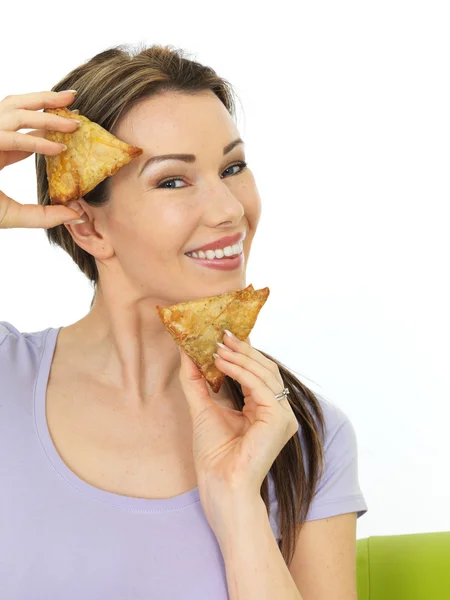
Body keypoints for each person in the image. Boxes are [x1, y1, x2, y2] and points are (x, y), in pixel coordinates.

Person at [0, 44, 368, 599]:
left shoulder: (304, 436)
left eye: (233, 167)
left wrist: (236, 499)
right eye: (173, 181)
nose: (228, 209)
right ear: (88, 229)